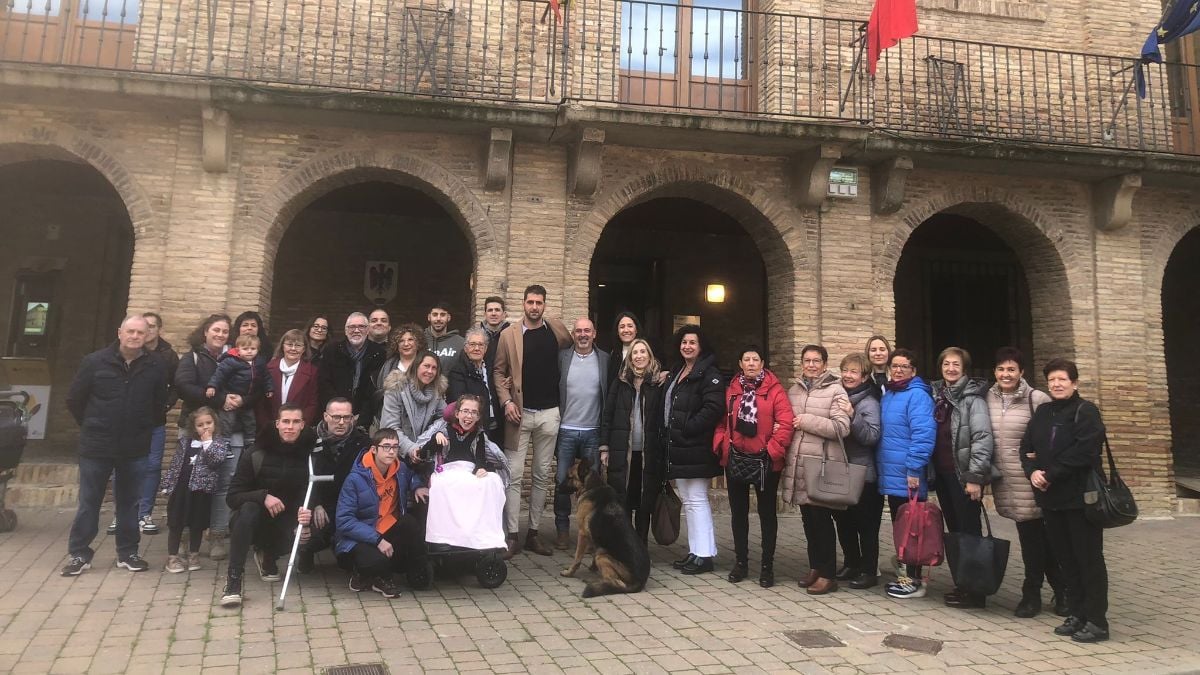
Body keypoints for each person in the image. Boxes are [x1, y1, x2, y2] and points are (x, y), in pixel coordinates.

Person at [61, 315, 166, 577]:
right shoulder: (94, 362)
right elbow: (75, 399)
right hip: (97, 445)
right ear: (120, 332)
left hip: (134, 446)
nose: (134, 337)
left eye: (140, 333)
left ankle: (127, 552)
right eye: (130, 331)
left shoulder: (156, 366)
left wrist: (142, 426)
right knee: (89, 502)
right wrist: (93, 424)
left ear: (147, 336)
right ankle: (79, 554)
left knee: (130, 502)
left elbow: (159, 405)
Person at [1021, 358, 1110, 643]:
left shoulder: (1086, 412)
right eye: (1052, 380)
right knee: (1066, 561)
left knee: (1088, 560)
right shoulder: (1044, 412)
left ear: (1075, 383)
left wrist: (1051, 473)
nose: (1057, 384)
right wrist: (1032, 471)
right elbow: (1027, 448)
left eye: (1062, 379)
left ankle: (1097, 621)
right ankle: (1077, 613)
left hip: (1081, 499)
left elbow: (1085, 452)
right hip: (1052, 500)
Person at [493, 285, 572, 558]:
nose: (534, 306)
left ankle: (534, 534)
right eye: (530, 302)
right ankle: (512, 535)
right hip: (519, 414)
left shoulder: (557, 331)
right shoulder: (509, 335)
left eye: (539, 302)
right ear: (523, 304)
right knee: (514, 476)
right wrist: (506, 401)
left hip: (550, 414)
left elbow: (574, 350)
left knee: (541, 476)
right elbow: (498, 371)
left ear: (545, 305)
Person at [987, 346, 1064, 618]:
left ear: (1021, 372)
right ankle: (1061, 589)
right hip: (1007, 482)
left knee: (1037, 540)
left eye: (1011, 369)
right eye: (1000, 369)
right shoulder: (988, 398)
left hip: (1035, 480)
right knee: (1037, 539)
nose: (1005, 374)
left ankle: (1032, 595)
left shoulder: (1038, 399)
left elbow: (1055, 437)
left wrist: (1042, 463)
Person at [219, 405, 317, 608]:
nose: (290, 427)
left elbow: (309, 492)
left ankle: (269, 555)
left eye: (295, 422)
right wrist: (263, 497)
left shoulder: (310, 454)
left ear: (302, 425)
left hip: (287, 515)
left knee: (310, 530)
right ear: (277, 423)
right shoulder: (255, 453)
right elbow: (232, 497)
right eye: (286, 422)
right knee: (248, 510)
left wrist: (307, 519)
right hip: (254, 518)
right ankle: (234, 580)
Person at [712, 346, 794, 588]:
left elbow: (786, 422)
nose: (750, 363)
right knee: (738, 514)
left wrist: (772, 451)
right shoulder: (732, 391)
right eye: (746, 359)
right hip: (736, 458)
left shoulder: (775, 391)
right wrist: (722, 443)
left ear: (762, 363)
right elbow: (721, 421)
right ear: (740, 363)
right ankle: (741, 562)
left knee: (767, 514)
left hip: (765, 461)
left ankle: (767, 566)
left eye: (754, 359)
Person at [930, 346, 996, 609]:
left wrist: (975, 477)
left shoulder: (973, 399)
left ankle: (976, 591)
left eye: (956, 364)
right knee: (956, 531)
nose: (951, 369)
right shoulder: (940, 395)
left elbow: (982, 439)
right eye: (946, 364)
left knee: (970, 532)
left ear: (964, 368)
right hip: (945, 475)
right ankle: (963, 584)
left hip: (963, 476)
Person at [783, 344, 851, 595]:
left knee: (822, 522)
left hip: (822, 464)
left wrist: (806, 421)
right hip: (799, 464)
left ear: (824, 364)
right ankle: (815, 567)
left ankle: (828, 574)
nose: (811, 365)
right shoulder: (794, 390)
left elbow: (841, 427)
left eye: (816, 361)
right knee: (808, 521)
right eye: (807, 360)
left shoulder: (836, 391)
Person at [175, 313, 241, 560]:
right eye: (216, 330)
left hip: (223, 428)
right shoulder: (191, 357)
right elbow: (184, 387)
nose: (220, 335)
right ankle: (182, 538)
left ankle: (217, 536)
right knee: (188, 482)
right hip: (195, 428)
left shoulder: (233, 358)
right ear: (205, 331)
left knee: (223, 484)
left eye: (225, 331)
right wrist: (220, 398)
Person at [333, 428, 426, 599]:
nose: (391, 451)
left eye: (395, 447)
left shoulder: (401, 469)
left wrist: (417, 485)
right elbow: (344, 521)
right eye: (386, 447)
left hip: (387, 527)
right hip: (360, 537)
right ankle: (370, 574)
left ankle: (379, 576)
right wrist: (377, 540)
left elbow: (412, 475)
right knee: (375, 561)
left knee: (410, 523)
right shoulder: (355, 478)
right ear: (374, 450)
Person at [662, 325, 724, 575]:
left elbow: (713, 407)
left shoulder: (709, 373)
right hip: (681, 447)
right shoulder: (679, 371)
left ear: (701, 347)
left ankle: (705, 555)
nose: (687, 346)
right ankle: (695, 550)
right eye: (684, 342)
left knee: (697, 500)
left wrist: (688, 427)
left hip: (695, 445)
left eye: (692, 343)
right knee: (688, 500)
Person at [876, 348, 936, 600]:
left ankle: (914, 581)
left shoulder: (917, 396)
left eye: (904, 366)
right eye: (895, 366)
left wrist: (914, 468)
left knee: (914, 531)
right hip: (892, 473)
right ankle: (906, 573)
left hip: (908, 474)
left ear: (913, 370)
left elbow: (923, 434)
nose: (898, 370)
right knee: (903, 528)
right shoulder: (891, 393)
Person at [418, 395, 510, 551]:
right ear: (457, 414)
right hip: (448, 470)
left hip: (468, 470)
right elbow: (423, 454)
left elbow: (480, 459)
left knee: (492, 481)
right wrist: (435, 438)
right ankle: (445, 535)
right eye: (465, 411)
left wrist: (480, 468)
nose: (469, 416)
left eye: (473, 412)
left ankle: (481, 532)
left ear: (478, 416)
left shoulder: (479, 435)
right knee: (444, 485)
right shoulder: (445, 431)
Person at [552, 318, 610, 550]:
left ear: (594, 334)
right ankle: (563, 530)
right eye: (578, 331)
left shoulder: (605, 359)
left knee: (592, 483)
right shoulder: (562, 357)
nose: (583, 334)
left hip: (593, 431)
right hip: (566, 429)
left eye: (587, 331)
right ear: (573, 334)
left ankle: (592, 531)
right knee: (561, 481)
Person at [599, 338, 664, 544]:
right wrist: (604, 447)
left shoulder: (658, 383)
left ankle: (642, 544)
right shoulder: (620, 382)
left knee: (644, 501)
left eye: (643, 352)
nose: (639, 356)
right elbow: (607, 414)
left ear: (649, 355)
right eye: (635, 352)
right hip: (622, 451)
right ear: (630, 357)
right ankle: (627, 545)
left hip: (647, 452)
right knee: (623, 499)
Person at [301, 398, 373, 572]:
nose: (341, 422)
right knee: (309, 538)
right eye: (336, 417)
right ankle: (305, 552)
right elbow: (301, 478)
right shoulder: (308, 440)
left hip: (350, 507)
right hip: (321, 505)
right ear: (326, 416)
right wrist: (315, 504)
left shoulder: (363, 443)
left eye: (346, 417)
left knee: (348, 561)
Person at [831, 352, 884, 590]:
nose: (848, 376)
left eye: (854, 372)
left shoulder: (869, 401)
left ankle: (869, 570)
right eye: (845, 370)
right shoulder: (839, 395)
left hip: (863, 474)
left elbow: (871, 437)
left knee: (866, 525)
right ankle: (851, 562)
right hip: (842, 469)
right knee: (844, 520)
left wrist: (852, 417)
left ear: (864, 376)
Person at [161, 407, 227, 574]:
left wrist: (207, 443)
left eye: (208, 423)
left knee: (197, 524)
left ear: (215, 423)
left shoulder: (218, 443)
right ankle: (173, 557)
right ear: (193, 427)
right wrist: (168, 484)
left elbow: (216, 461)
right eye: (200, 425)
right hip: (181, 489)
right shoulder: (185, 442)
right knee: (176, 522)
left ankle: (193, 555)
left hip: (201, 491)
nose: (205, 427)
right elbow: (176, 465)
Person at [136, 311, 179, 535]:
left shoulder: (168, 355)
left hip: (155, 421)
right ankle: (122, 514)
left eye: (153, 326)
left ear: (158, 329)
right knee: (124, 466)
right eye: (146, 326)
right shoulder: (130, 351)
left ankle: (144, 513)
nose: (148, 330)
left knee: (152, 466)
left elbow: (176, 385)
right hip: (130, 421)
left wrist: (165, 405)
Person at [206, 334, 274, 448]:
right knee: (227, 420)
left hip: (247, 398)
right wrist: (212, 386)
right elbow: (219, 375)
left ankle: (250, 441)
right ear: (238, 349)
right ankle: (225, 443)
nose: (249, 352)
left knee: (250, 420)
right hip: (231, 395)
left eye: (253, 349)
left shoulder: (259, 363)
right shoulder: (231, 361)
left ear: (258, 349)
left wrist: (269, 388)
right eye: (245, 349)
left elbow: (266, 376)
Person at [319, 312, 387, 421]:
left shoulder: (379, 354)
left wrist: (361, 417)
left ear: (368, 330)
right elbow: (324, 384)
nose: (356, 330)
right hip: (334, 416)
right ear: (346, 331)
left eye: (361, 327)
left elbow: (375, 390)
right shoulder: (331, 350)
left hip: (364, 417)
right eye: (352, 327)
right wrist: (339, 413)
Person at [380, 351, 447, 458]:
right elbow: (390, 427)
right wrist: (411, 449)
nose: (430, 371)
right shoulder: (396, 388)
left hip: (425, 452)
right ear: (416, 366)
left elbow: (446, 417)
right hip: (395, 454)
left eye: (434, 368)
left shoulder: (436, 392)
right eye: (426, 366)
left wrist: (436, 432)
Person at [446, 327, 503, 447]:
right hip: (475, 429)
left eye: (480, 345)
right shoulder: (457, 371)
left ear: (486, 348)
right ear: (466, 348)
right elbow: (460, 401)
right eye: (472, 344)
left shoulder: (490, 369)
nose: (477, 348)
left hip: (496, 426)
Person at [257, 329, 320, 430]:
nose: (293, 349)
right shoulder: (268, 368)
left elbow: (313, 403)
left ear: (304, 349)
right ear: (283, 346)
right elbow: (261, 402)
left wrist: (299, 425)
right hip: (270, 428)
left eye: (298, 345)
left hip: (298, 429)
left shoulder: (312, 372)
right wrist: (268, 426)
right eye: (289, 344)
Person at [373, 323, 427, 424]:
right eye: (401, 341)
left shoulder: (427, 365)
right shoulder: (388, 366)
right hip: (392, 418)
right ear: (396, 345)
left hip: (420, 419)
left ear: (418, 343)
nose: (406, 344)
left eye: (410, 339)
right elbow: (380, 394)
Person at [425, 301, 466, 374]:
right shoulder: (420, 340)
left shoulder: (460, 343)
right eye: (435, 314)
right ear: (429, 317)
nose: (438, 318)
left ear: (449, 318)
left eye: (442, 315)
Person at [606, 311, 643, 386]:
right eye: (622, 327)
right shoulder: (614, 354)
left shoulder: (646, 353)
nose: (626, 330)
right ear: (617, 331)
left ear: (636, 330)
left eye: (630, 326)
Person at [479, 296, 510, 374]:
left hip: (505, 383)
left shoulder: (512, 336)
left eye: (497, 310)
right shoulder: (477, 337)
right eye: (490, 310)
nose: (493, 313)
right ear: (485, 314)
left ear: (504, 314)